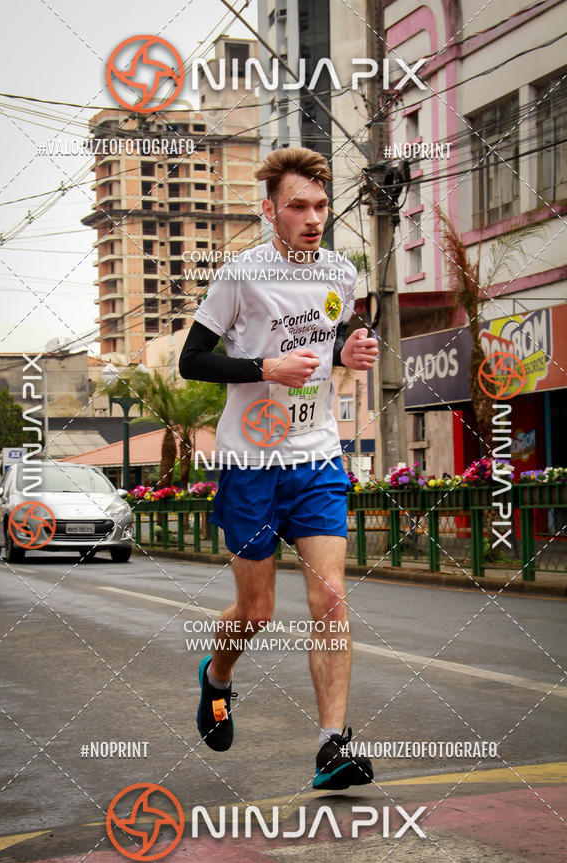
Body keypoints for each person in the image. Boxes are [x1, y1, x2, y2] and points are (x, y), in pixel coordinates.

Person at [179, 146, 379, 790]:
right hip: (249, 461)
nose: (312, 217)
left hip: (317, 455)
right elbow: (193, 360)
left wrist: (352, 348)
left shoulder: (340, 272)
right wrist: (264, 367)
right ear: (270, 212)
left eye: (321, 206)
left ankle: (332, 746)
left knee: (330, 599)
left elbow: (339, 337)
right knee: (256, 611)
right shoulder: (240, 275)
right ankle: (217, 677)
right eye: (298, 206)